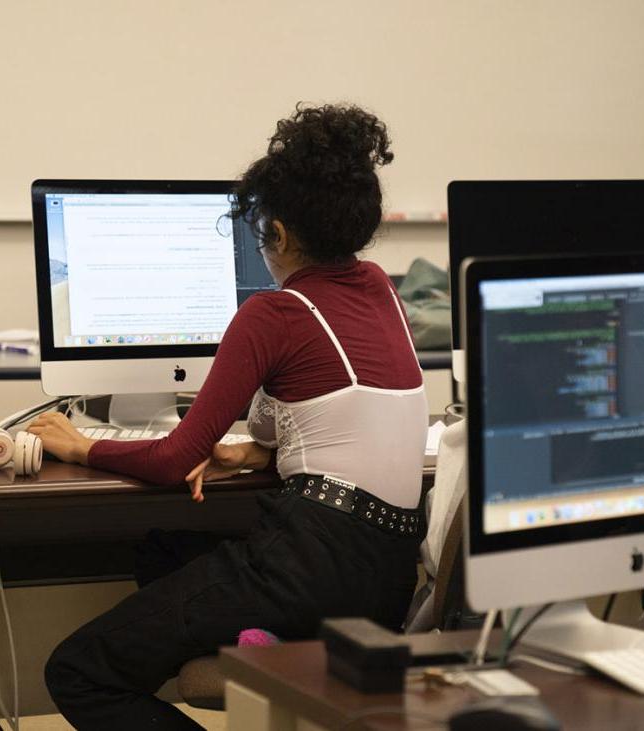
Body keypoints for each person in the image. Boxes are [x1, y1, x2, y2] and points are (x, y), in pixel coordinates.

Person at [27, 103, 428, 730]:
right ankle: (256, 639)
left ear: (281, 235)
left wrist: (81, 448)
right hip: (389, 570)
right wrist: (248, 452)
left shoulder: (274, 314)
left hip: (310, 557)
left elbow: (172, 459)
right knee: (164, 552)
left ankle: (258, 637)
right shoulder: (381, 289)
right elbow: (311, 415)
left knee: (78, 671)